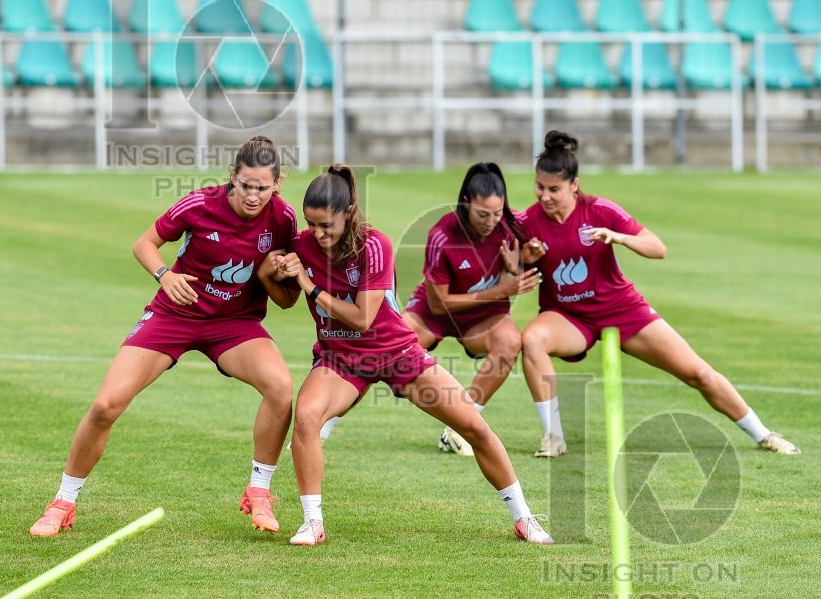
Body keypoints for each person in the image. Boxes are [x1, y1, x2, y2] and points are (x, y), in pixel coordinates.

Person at [258, 164, 553, 546]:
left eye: (325, 226)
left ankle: (524, 518)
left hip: (397, 354)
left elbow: (363, 317)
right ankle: (312, 522)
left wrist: (307, 283)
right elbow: (284, 300)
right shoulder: (302, 244)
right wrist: (270, 274)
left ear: (347, 214)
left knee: (475, 427)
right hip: (341, 360)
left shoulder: (375, 244)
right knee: (308, 416)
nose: (316, 234)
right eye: (310, 224)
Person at [29, 136, 298, 537]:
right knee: (106, 404)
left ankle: (258, 492)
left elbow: (287, 300)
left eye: (262, 187)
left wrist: (269, 273)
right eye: (245, 185)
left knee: (280, 387)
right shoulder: (199, 204)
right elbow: (145, 244)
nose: (253, 195)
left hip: (234, 323)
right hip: (174, 315)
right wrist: (164, 275)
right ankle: (62, 502)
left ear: (277, 184)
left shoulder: (284, 219)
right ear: (232, 178)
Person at [518, 130, 800, 458]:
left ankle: (763, 434)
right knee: (532, 339)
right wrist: (523, 259)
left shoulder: (600, 210)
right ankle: (554, 437)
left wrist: (618, 237)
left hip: (620, 309)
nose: (545, 196)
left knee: (698, 373)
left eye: (554, 189)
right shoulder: (527, 221)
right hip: (568, 316)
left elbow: (658, 248)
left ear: (574, 185)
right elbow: (507, 267)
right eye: (540, 187)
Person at [401, 162, 540, 456]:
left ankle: (458, 429)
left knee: (510, 341)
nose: (491, 221)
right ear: (465, 203)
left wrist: (526, 260)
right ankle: (324, 427)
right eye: (482, 214)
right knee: (383, 347)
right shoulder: (443, 234)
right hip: (434, 312)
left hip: (482, 319)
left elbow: (528, 259)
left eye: (497, 213)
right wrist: (501, 290)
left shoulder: (510, 228)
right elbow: (440, 305)